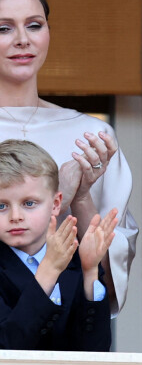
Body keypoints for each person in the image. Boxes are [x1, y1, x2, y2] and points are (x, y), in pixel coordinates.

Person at [0, 0, 138, 316]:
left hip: (67, 331)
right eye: (4, 28)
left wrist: (78, 197)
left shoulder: (90, 135)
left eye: (34, 25)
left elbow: (108, 274)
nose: (22, 40)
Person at [0, 139, 117, 350]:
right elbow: (8, 345)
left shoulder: (76, 260)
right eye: (2, 206)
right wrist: (49, 271)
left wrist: (90, 271)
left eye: (29, 203)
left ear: (55, 205)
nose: (15, 216)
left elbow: (96, 349)